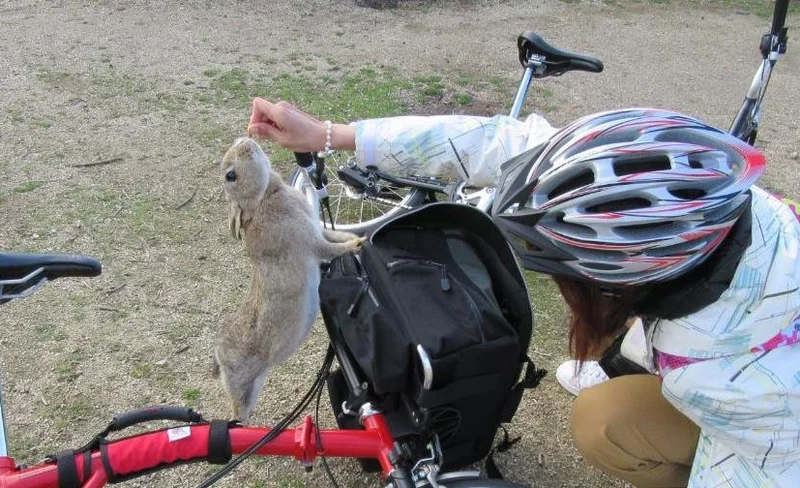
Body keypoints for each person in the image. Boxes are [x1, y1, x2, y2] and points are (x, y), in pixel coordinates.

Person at [246, 98, 800, 488]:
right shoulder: (723, 209)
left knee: (609, 425)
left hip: (776, 434)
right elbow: (501, 143)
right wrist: (327, 134)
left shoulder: (740, 388)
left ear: (628, 282)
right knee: (601, 419)